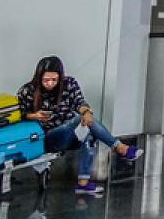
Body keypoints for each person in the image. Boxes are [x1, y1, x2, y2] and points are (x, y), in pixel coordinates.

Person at [16, 57, 141, 196]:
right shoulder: (28, 91)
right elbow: (20, 115)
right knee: (79, 121)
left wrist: (87, 112)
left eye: (54, 80)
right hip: (49, 137)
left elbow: (79, 102)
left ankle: (84, 183)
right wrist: (35, 116)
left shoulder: (68, 84)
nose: (50, 84)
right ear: (39, 77)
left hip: (70, 134)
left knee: (88, 128)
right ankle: (119, 147)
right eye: (46, 80)